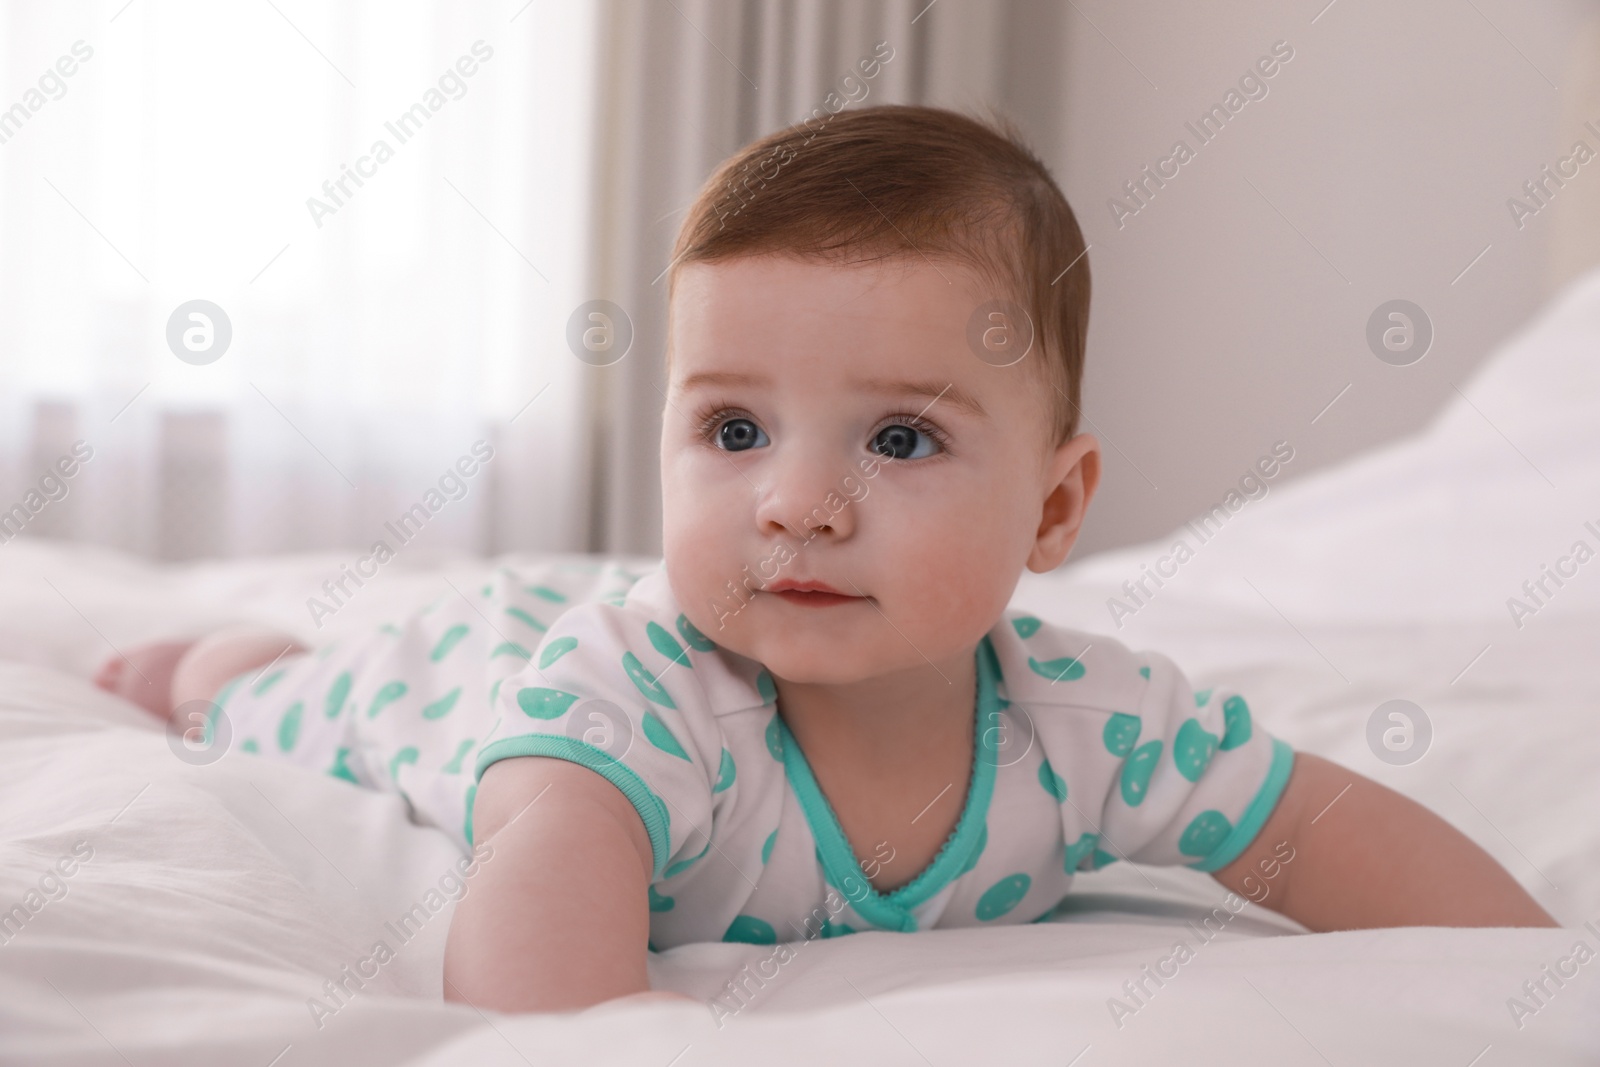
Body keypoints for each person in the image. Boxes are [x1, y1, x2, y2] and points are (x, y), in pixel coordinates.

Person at [96, 104, 1557, 1015]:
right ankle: (230, 653)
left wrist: (1546, 971)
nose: (797, 505)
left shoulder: (1091, 725)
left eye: (901, 444)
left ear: (1054, 515)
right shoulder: (625, 714)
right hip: (500, 668)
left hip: (579, 632)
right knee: (312, 695)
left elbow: (1319, 825)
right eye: (733, 428)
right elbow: (540, 981)